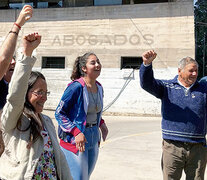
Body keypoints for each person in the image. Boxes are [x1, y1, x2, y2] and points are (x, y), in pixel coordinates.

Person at [0, 33, 72, 180]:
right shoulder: (14, 119)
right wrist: (27, 54)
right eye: (39, 92)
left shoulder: (47, 121)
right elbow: (15, 96)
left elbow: (60, 158)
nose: (44, 97)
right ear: (26, 93)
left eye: (46, 92)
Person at [139, 50, 207, 180]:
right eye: (191, 71)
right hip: (173, 147)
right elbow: (147, 83)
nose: (194, 74)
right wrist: (146, 65)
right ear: (179, 71)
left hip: (198, 148)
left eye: (196, 71)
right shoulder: (167, 87)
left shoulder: (203, 89)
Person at [55, 52, 108, 180]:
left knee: (86, 176)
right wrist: (76, 132)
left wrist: (102, 124)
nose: (97, 65)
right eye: (93, 62)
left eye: (98, 62)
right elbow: (59, 113)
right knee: (77, 177)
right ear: (84, 68)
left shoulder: (99, 87)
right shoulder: (75, 87)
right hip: (76, 139)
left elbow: (93, 112)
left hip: (93, 137)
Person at [0, 4, 33, 156]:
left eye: (15, 59)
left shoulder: (23, 85)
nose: (12, 62)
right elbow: (3, 59)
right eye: (10, 60)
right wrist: (17, 25)